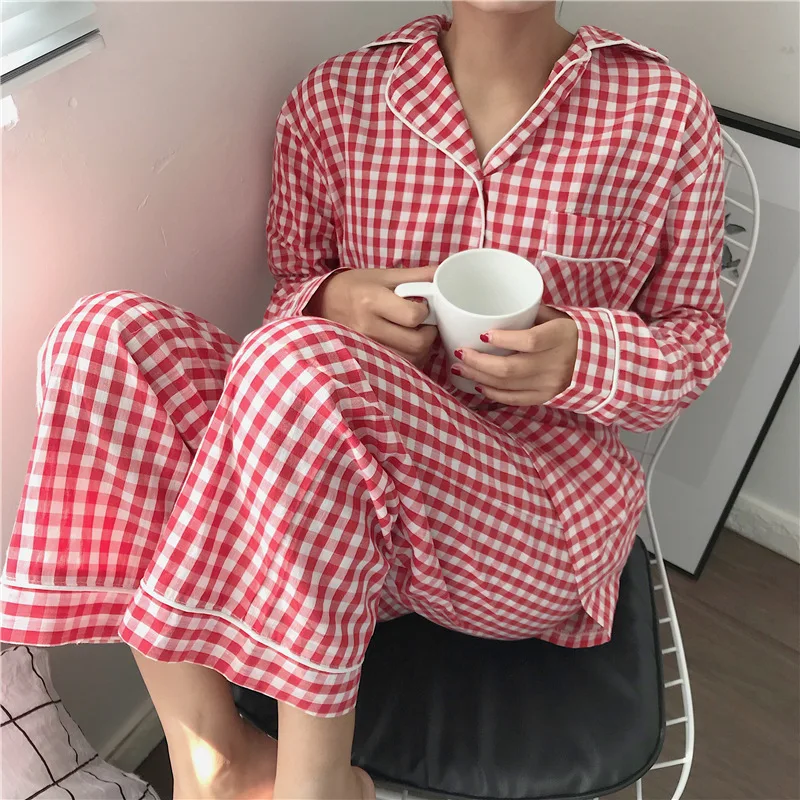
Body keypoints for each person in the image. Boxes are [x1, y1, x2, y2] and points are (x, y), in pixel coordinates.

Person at [1, 1, 729, 798]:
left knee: (300, 363)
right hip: (347, 523)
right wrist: (328, 299)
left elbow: (695, 341)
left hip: (534, 516)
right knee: (105, 339)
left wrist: (585, 354)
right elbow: (291, 294)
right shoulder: (334, 99)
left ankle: (314, 785)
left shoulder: (663, 112)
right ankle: (213, 761)